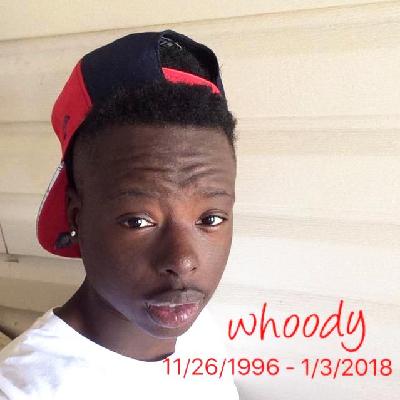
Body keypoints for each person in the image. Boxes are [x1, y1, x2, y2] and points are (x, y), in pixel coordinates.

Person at [0, 30, 238, 399]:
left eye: (210, 219)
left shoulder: (200, 332)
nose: (183, 262)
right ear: (75, 216)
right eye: (138, 221)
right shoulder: (26, 390)